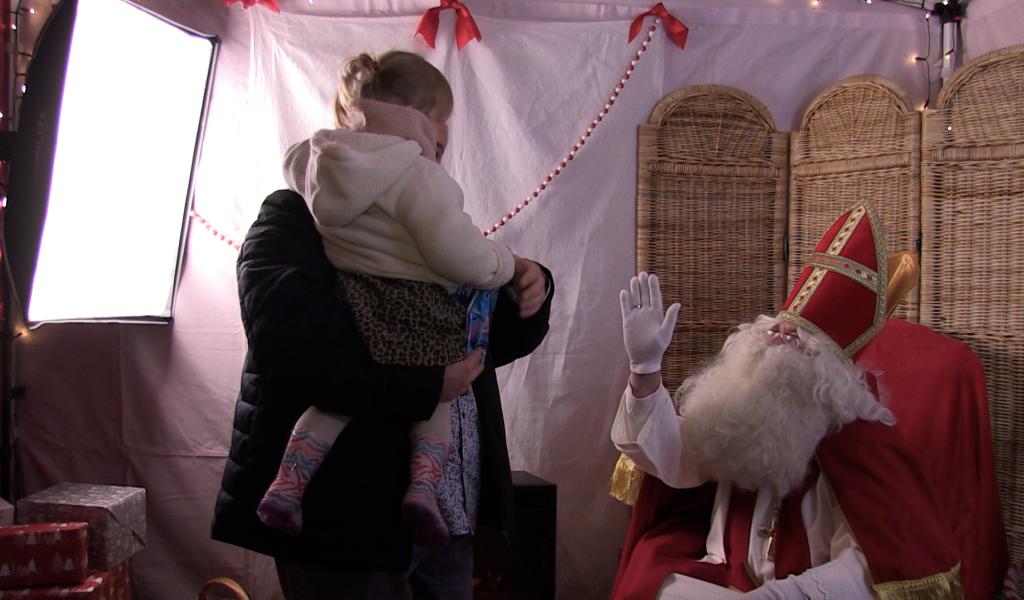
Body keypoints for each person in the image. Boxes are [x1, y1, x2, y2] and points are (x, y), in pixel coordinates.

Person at [211, 71, 553, 600]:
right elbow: (298, 349)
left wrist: (530, 286)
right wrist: (428, 387)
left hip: (449, 511)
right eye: (431, 126)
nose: (437, 143)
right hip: (348, 514)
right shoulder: (292, 218)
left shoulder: (415, 225)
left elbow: (475, 341)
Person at [610, 201, 962, 599]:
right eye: (776, 329)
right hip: (717, 579)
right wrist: (645, 370)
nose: (777, 337)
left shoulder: (860, 443)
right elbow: (673, 459)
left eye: (794, 338)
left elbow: (866, 571)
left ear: (827, 369)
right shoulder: (741, 407)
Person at [255, 50, 516, 550]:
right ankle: (422, 490)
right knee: (440, 392)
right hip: (418, 304)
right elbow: (455, 253)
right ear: (421, 119)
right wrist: (503, 263)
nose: (444, 135)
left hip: (356, 297)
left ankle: (287, 486)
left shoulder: (318, 160)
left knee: (332, 405)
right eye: (442, 121)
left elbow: (294, 159)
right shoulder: (417, 175)